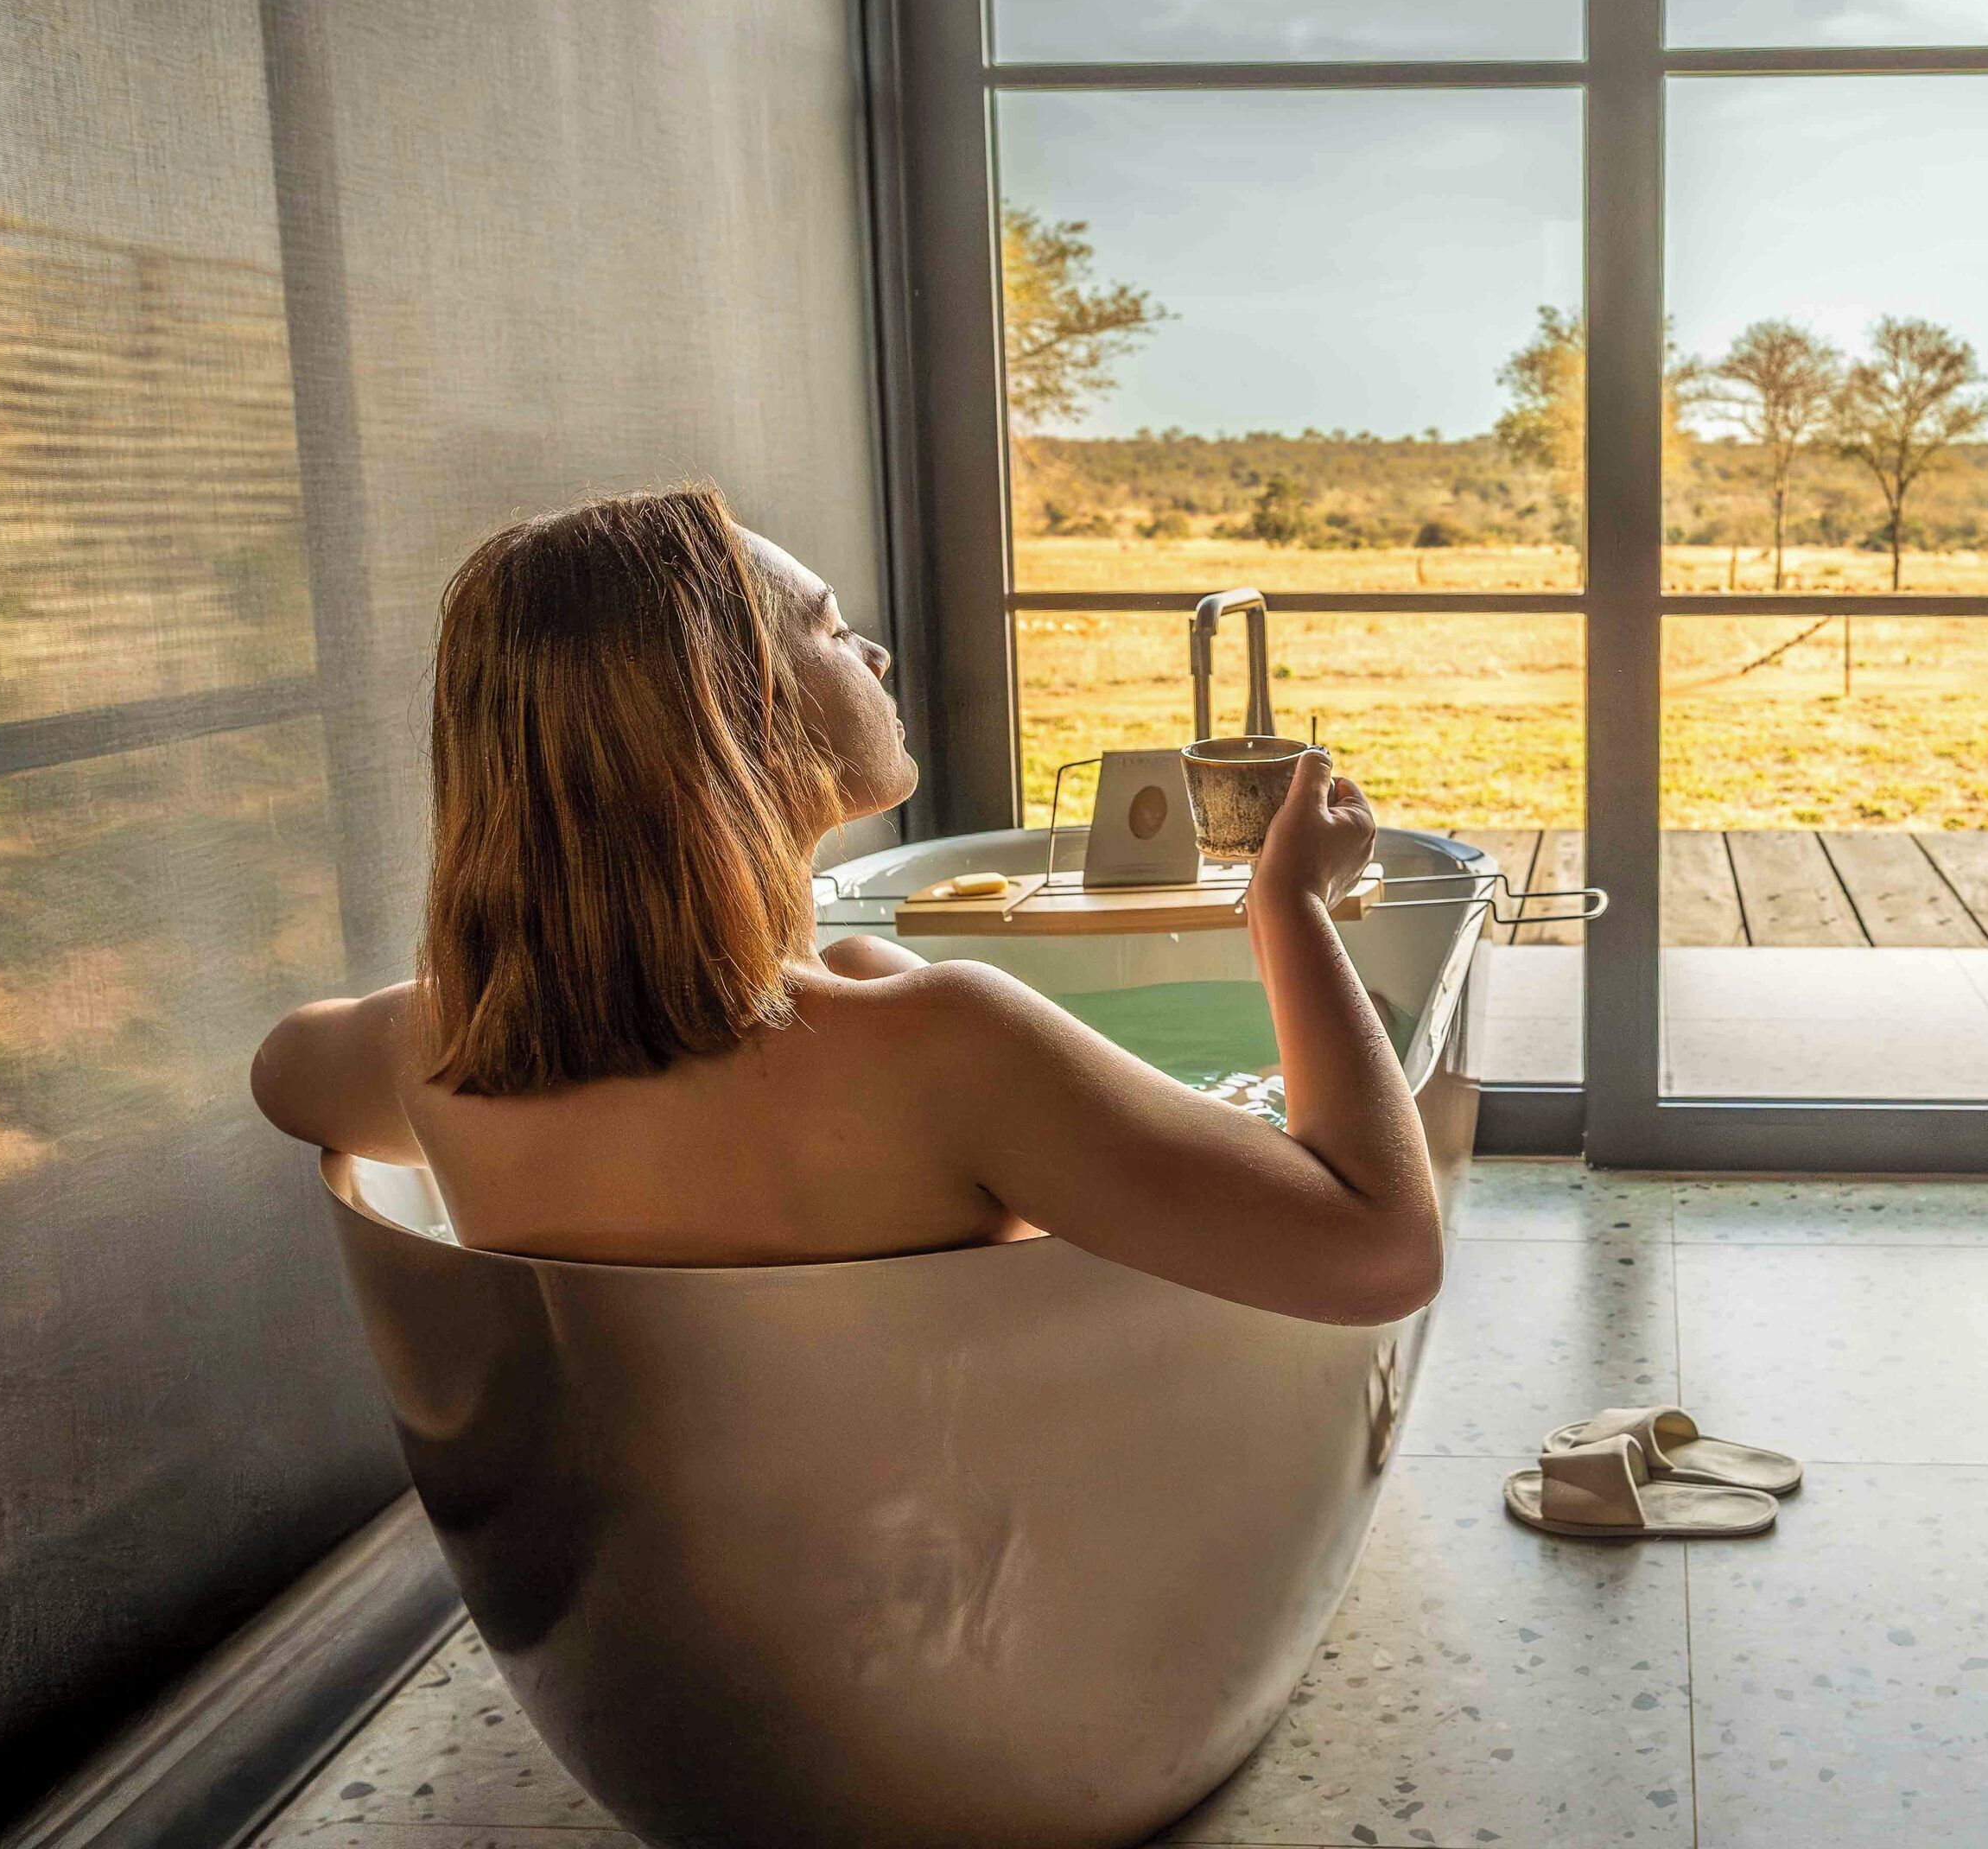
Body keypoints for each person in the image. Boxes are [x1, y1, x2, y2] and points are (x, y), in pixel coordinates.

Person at [251, 486, 1439, 1325]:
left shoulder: (439, 1050)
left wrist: (486, 997)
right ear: (741, 721)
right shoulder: (947, 1045)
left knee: (867, 958)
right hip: (978, 1576)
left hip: (624, 1594)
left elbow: (282, 1072)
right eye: (826, 628)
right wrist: (1291, 908)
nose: (872, 655)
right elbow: (1382, 1254)